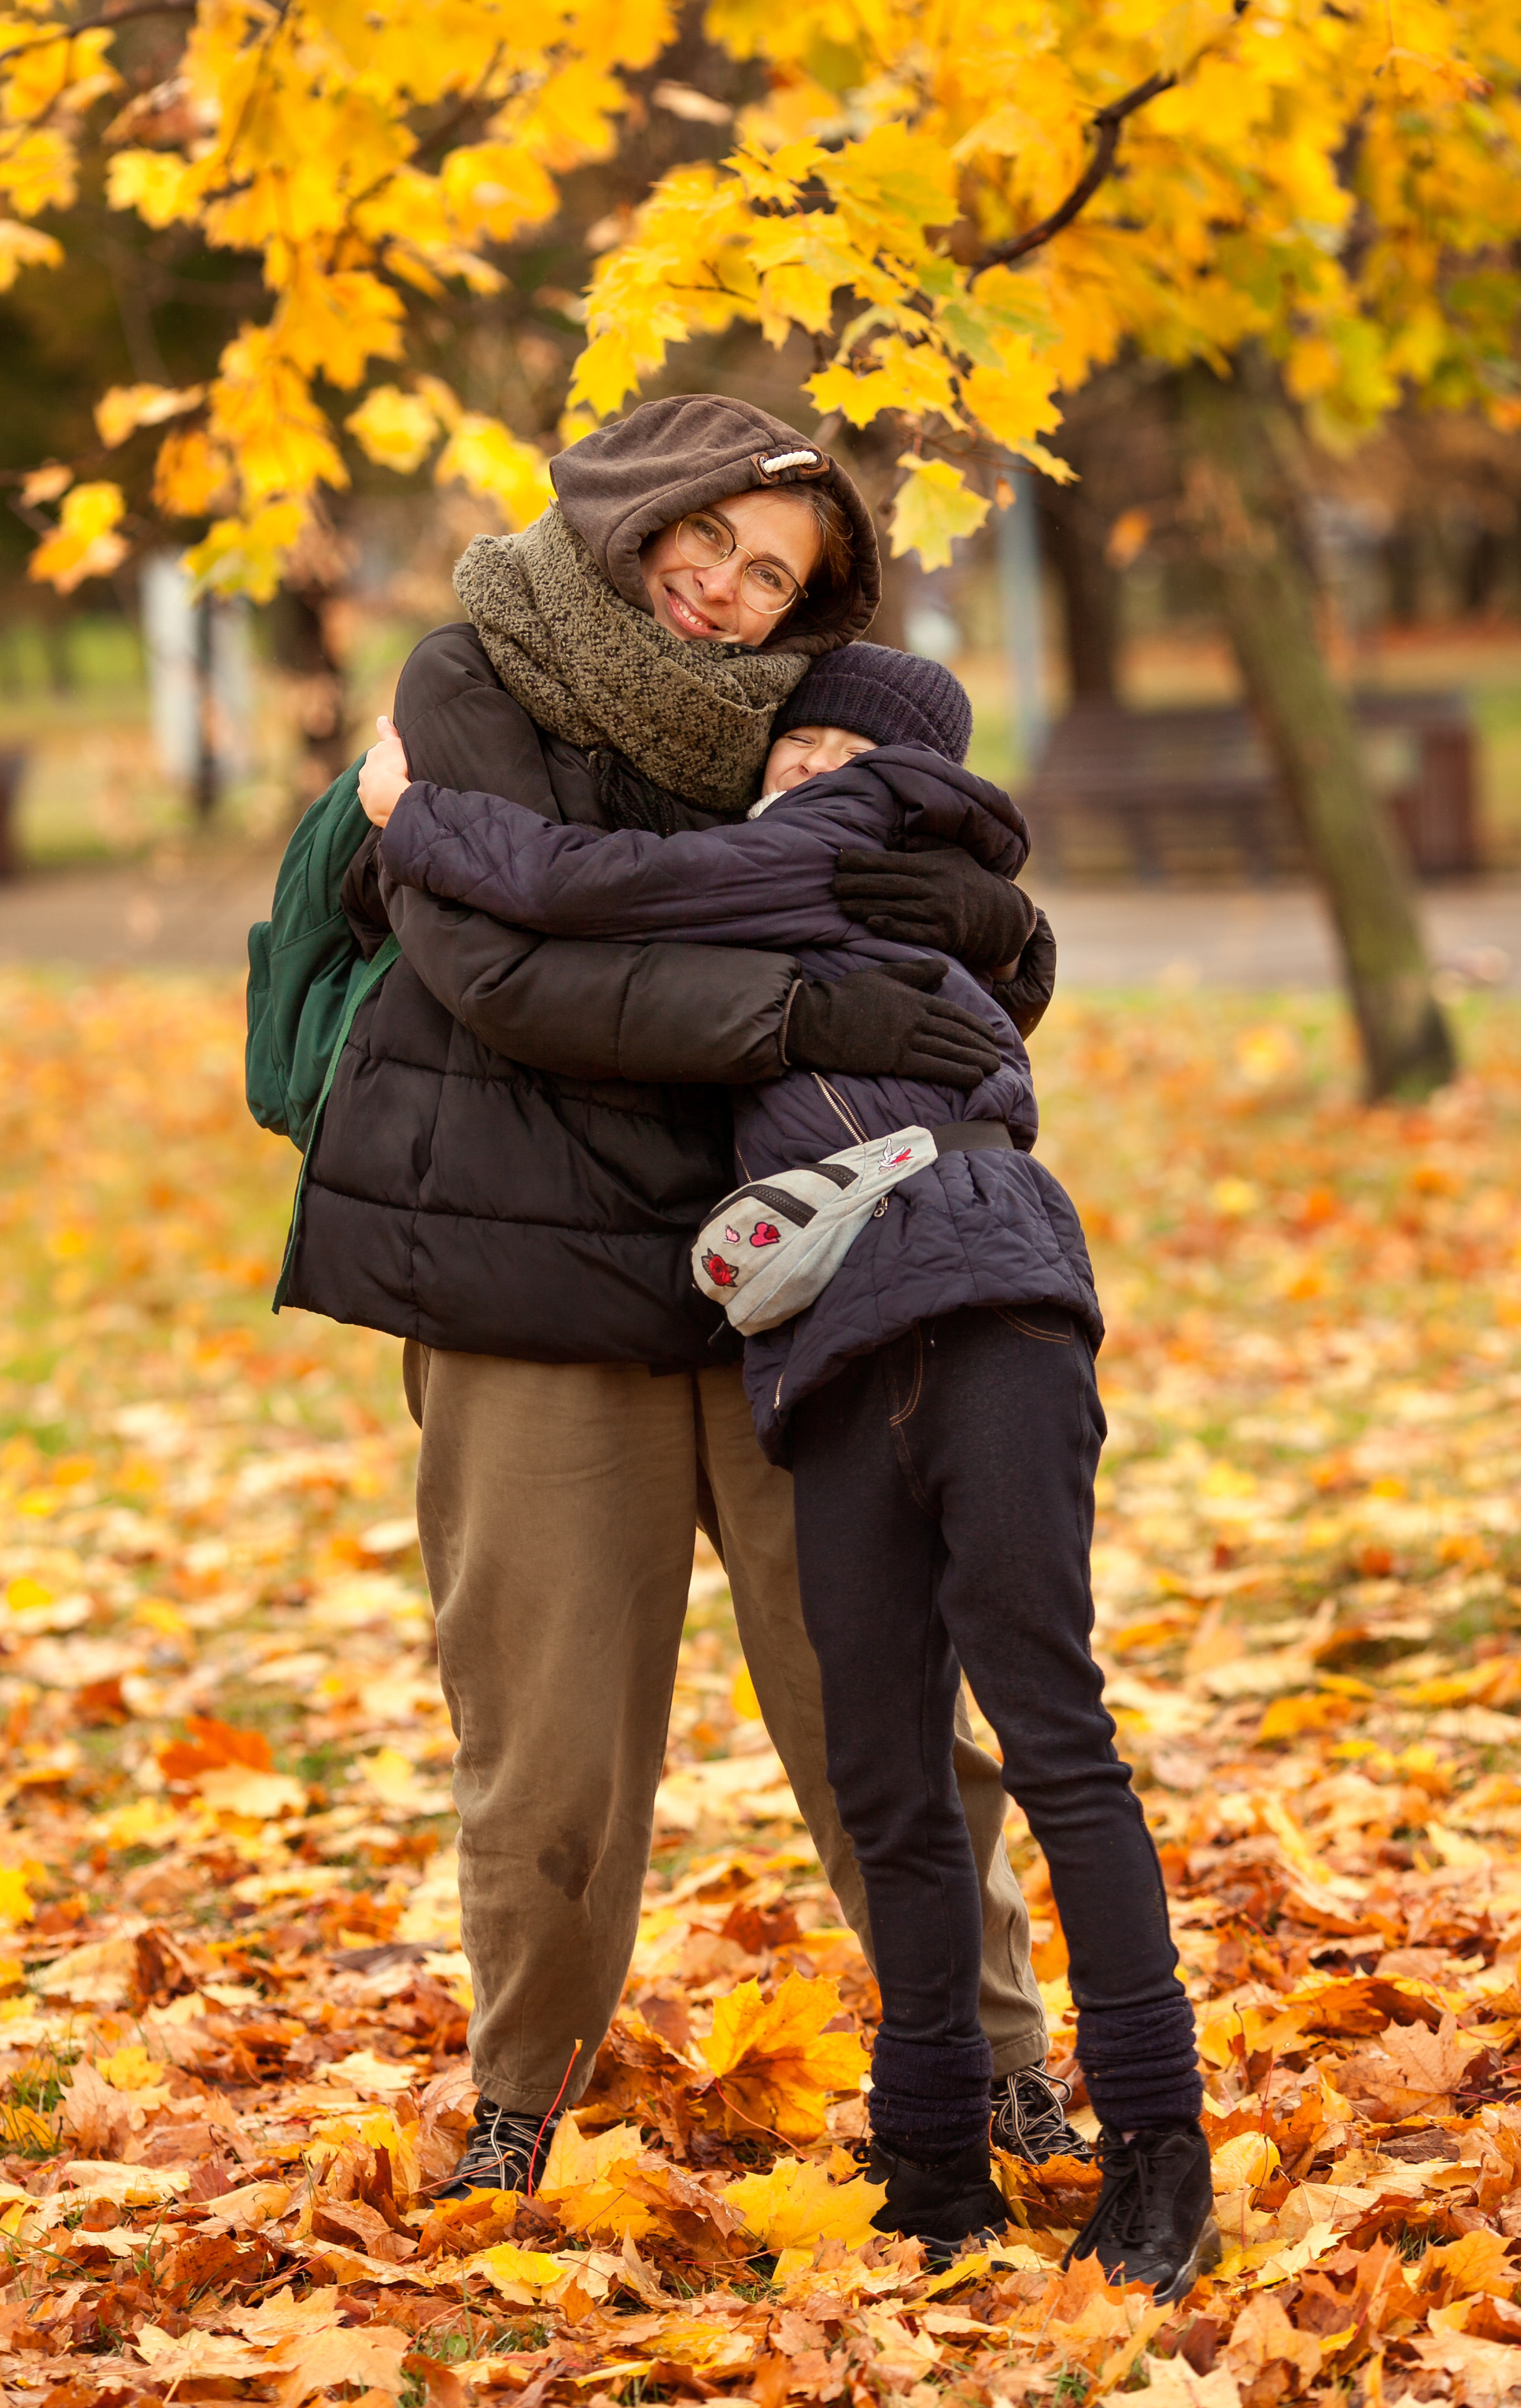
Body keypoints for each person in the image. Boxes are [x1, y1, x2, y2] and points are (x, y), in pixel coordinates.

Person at [277, 397, 1076, 2196]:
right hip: (525, 1282)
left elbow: (973, 929)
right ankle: (518, 2103)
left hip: (802, 1277)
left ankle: (1008, 2067)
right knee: (548, 1738)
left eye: (774, 575)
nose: (723, 589)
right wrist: (796, 1008)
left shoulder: (821, 732)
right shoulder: (475, 672)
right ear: (638, 513)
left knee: (883, 1691)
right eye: (703, 541)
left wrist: (920, 955)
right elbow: (495, 968)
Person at [357, 642, 1217, 2298]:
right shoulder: (848, 866)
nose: (803, 768)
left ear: (909, 774)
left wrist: (409, 812)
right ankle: (933, 2168)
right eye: (795, 742)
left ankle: (1158, 2144)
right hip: (826, 1339)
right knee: (886, 1764)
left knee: (1051, 1733)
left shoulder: (852, 830)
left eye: (842, 749)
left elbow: (589, 886)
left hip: (979, 1305)